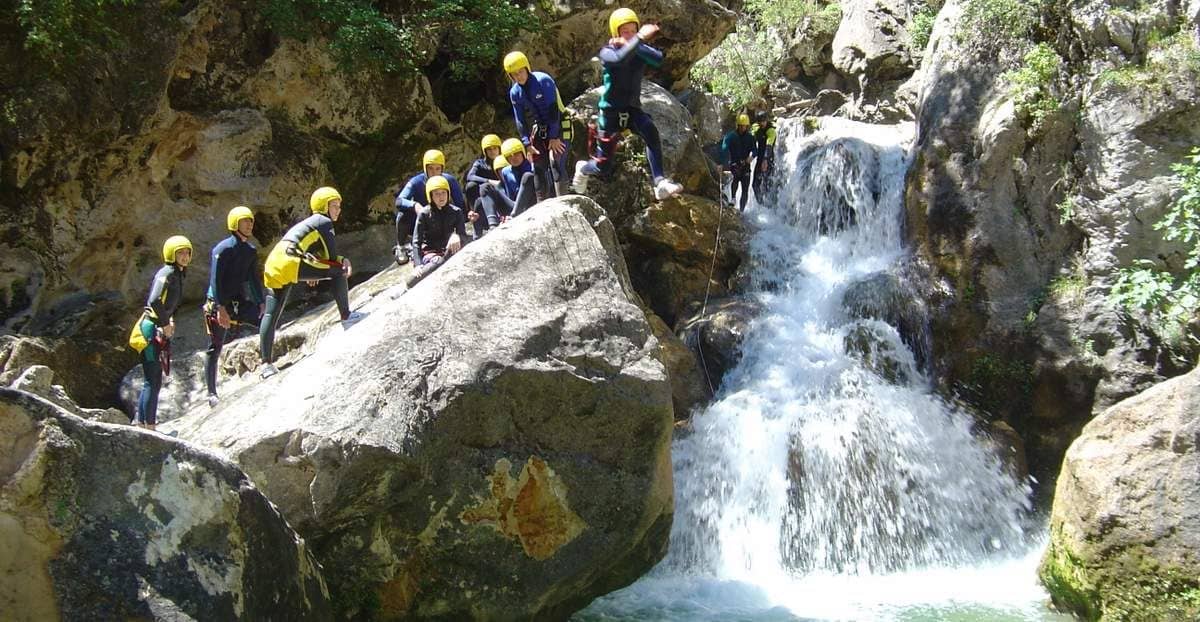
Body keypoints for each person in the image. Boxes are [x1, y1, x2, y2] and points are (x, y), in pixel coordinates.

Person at [572, 7, 684, 201]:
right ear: (615, 33)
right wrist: (639, 38)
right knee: (603, 166)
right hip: (610, 112)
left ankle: (659, 183)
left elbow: (658, 59)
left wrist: (636, 42)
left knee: (650, 130)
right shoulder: (607, 52)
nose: (630, 35)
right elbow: (618, 59)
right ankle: (583, 168)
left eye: (633, 30)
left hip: (631, 108)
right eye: (625, 31)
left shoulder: (638, 49)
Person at [259, 187, 362, 379]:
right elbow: (331, 257)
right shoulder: (324, 221)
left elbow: (312, 253)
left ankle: (265, 364)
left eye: (339, 206)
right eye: (334, 205)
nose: (338, 210)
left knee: (271, 313)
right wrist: (343, 261)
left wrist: (312, 269)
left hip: (275, 262)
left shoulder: (309, 223)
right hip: (292, 261)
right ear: (323, 207)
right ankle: (346, 315)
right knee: (338, 272)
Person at [203, 206, 264, 407]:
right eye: (244, 221)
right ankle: (211, 393)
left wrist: (261, 302)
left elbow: (254, 279)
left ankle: (268, 363)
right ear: (234, 225)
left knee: (266, 321)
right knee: (215, 346)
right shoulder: (222, 249)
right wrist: (220, 308)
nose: (249, 224)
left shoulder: (250, 251)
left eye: (250, 221)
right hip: (219, 303)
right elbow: (215, 280)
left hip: (238, 301)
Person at [131, 235, 191, 431]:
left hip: (157, 328)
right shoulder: (167, 272)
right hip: (150, 330)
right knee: (152, 380)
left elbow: (168, 304)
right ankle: (149, 427)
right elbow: (155, 300)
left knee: (153, 380)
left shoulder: (178, 274)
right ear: (171, 255)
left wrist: (170, 319)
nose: (184, 256)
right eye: (180, 252)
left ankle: (142, 423)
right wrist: (165, 323)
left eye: (186, 252)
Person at [504, 51, 573, 199]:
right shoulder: (515, 92)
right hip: (541, 126)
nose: (519, 77)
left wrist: (554, 137)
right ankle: (542, 203)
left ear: (527, 68)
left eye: (521, 72)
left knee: (556, 160)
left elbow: (554, 110)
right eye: (514, 74)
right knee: (537, 165)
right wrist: (527, 144)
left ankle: (563, 200)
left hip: (560, 123)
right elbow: (520, 119)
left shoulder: (543, 81)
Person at [393, 149, 467, 265]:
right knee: (402, 215)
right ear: (425, 168)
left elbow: (460, 205)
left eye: (438, 168)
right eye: (431, 168)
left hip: (442, 222)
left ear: (442, 169)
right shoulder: (416, 182)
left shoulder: (449, 180)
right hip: (421, 221)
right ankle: (400, 247)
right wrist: (415, 206)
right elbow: (399, 201)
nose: (434, 172)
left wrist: (457, 232)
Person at [406, 175, 467, 288]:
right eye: (437, 194)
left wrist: (456, 236)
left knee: (450, 257)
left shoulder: (456, 212)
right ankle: (410, 284)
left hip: (447, 250)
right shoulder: (424, 214)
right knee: (438, 261)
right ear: (431, 196)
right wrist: (418, 264)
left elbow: (463, 236)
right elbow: (416, 241)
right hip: (429, 252)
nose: (441, 197)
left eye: (443, 193)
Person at [480, 138, 539, 223]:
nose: (513, 158)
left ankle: (514, 215)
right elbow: (509, 195)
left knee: (527, 176)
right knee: (485, 187)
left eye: (516, 154)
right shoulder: (506, 172)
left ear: (522, 153)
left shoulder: (532, 166)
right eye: (509, 156)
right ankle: (493, 224)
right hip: (515, 206)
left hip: (531, 204)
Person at [464, 134, 503, 237]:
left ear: (499, 148)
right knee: (470, 186)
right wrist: (489, 181)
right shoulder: (480, 163)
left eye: (495, 148)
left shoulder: (505, 160)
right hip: (485, 195)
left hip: (502, 193)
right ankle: (475, 215)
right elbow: (470, 176)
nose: (492, 151)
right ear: (484, 151)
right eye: (489, 149)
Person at [721, 113, 758, 212]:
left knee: (745, 189)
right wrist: (723, 162)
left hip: (746, 164)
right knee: (735, 180)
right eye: (741, 126)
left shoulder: (750, 138)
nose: (743, 128)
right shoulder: (731, 136)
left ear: (747, 126)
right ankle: (733, 198)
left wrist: (751, 157)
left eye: (744, 126)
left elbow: (755, 150)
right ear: (738, 125)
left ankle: (742, 210)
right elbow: (724, 148)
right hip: (734, 163)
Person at [752, 110, 777, 204]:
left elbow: (769, 146)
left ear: (766, 120)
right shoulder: (756, 128)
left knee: (766, 185)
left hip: (768, 159)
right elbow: (751, 140)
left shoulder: (771, 131)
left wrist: (765, 160)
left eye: (763, 121)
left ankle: (769, 206)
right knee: (755, 185)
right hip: (759, 159)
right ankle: (761, 205)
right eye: (760, 121)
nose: (761, 123)